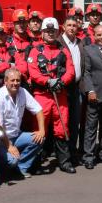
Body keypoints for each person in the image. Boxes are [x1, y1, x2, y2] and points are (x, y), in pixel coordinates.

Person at [26, 17, 77, 174]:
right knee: (39, 129)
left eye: (53, 31)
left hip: (60, 95)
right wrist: (47, 81)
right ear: (42, 32)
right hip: (42, 95)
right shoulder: (35, 50)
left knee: (62, 128)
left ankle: (65, 162)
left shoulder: (63, 51)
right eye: (47, 31)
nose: (50, 34)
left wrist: (61, 82)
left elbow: (71, 70)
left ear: (57, 32)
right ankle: (34, 163)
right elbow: (32, 71)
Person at [0, 68, 46, 179]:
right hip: (2, 140)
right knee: (12, 161)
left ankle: (21, 168)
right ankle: (1, 166)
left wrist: (42, 130)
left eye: (18, 80)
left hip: (17, 135)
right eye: (12, 80)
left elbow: (39, 110)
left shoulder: (23, 91)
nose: (15, 83)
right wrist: (9, 146)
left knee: (40, 138)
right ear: (5, 81)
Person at [81, 25, 102, 168]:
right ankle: (88, 156)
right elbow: (86, 72)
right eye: (98, 35)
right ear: (94, 36)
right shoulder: (88, 50)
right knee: (91, 126)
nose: (101, 38)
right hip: (95, 93)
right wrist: (90, 90)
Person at [61, 17, 86, 159]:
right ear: (64, 27)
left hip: (77, 88)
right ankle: (62, 153)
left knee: (75, 121)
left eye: (74, 26)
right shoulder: (59, 43)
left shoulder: (80, 43)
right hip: (63, 88)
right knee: (63, 122)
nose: (71, 28)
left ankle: (72, 150)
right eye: (69, 25)